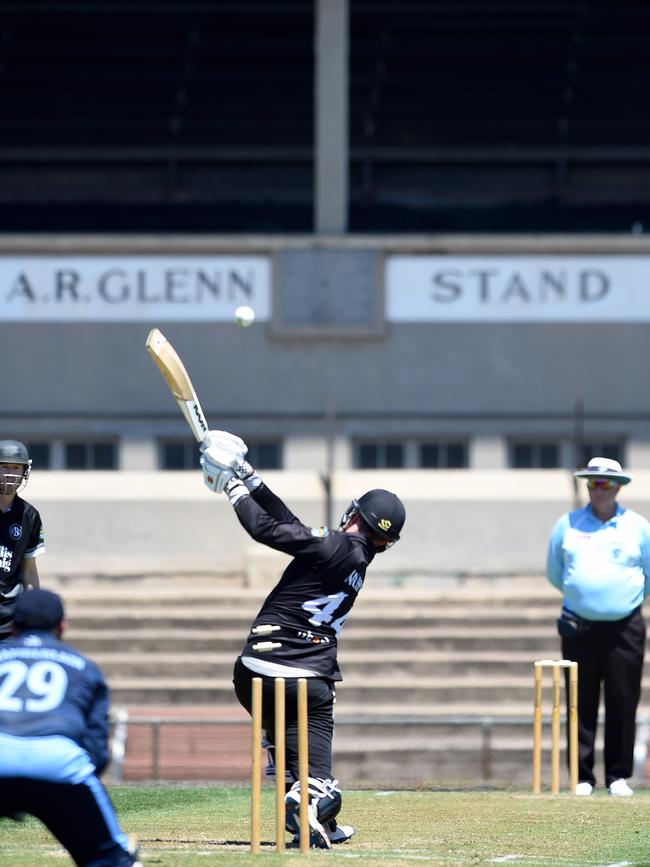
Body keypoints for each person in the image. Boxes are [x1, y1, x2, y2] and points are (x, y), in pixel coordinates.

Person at [200, 430, 406, 848]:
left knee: (298, 761)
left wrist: (232, 487)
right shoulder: (353, 559)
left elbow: (267, 530)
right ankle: (311, 807)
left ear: (354, 514)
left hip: (252, 671)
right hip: (305, 678)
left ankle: (315, 816)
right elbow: (289, 525)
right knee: (320, 778)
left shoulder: (334, 547)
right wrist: (250, 476)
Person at [0, 588, 141, 866]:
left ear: (13, 626)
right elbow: (96, 749)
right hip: (58, 763)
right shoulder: (84, 666)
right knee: (110, 858)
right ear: (62, 626)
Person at [546, 456, 650, 797]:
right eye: (593, 482)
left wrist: (619, 600)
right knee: (580, 700)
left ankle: (617, 775)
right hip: (580, 625)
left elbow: (647, 577)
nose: (599, 489)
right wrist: (584, 597)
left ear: (618, 487)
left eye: (605, 483)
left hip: (626, 626)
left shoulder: (638, 526)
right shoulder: (568, 524)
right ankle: (582, 776)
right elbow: (555, 572)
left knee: (623, 699)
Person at [0, 440, 45, 640]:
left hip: (11, 615)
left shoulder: (30, 515)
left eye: (16, 467)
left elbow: (29, 570)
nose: (10, 473)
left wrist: (37, 610)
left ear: (24, 471)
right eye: (4, 466)